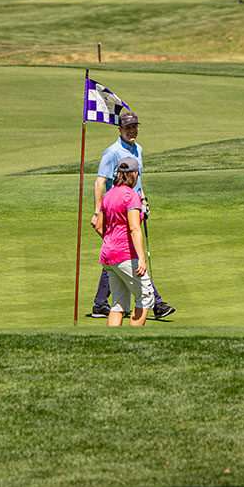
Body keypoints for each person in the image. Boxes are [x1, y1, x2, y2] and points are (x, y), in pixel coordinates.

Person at [88, 111, 176, 319]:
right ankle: (157, 303)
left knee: (117, 256)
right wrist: (97, 212)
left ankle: (100, 303)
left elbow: (138, 180)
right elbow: (100, 182)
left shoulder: (139, 149)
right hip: (117, 209)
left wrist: (143, 200)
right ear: (120, 130)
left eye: (135, 127)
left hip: (134, 206)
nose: (132, 131)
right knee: (129, 256)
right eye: (128, 128)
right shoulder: (112, 152)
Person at [93, 158, 153, 326]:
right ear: (134, 174)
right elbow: (134, 228)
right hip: (125, 255)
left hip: (107, 255)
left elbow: (98, 226)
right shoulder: (131, 196)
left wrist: (111, 240)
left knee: (118, 302)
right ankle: (132, 338)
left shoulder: (108, 195)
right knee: (146, 296)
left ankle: (114, 339)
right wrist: (141, 258)